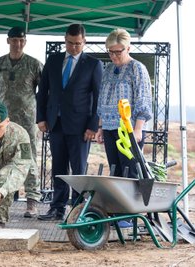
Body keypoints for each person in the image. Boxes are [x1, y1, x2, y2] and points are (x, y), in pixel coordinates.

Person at [36, 24, 103, 221]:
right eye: (70, 43)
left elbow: (98, 97)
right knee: (58, 168)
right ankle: (56, 208)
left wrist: (93, 126)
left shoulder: (93, 64)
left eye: (78, 44)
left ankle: (77, 210)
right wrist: (40, 117)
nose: (73, 47)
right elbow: (43, 90)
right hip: (55, 123)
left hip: (81, 127)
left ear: (85, 42)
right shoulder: (54, 60)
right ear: (65, 40)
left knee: (78, 170)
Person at [95, 28, 152, 228]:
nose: (114, 56)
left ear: (128, 48)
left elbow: (143, 101)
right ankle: (118, 213)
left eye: (118, 52)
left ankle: (131, 214)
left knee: (131, 171)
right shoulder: (108, 69)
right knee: (116, 171)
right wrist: (100, 127)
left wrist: (137, 129)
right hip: (110, 128)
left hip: (129, 129)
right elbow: (102, 99)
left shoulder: (138, 68)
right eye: (110, 52)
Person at [0, 26, 43, 218]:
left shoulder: (34, 64)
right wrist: (1, 105)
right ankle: (3, 199)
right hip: (3, 123)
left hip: (27, 121)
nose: (17, 43)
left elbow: (43, 92)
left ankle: (32, 201)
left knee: (29, 157)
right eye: (14, 40)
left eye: (21, 40)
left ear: (24, 42)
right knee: (3, 158)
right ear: (8, 41)